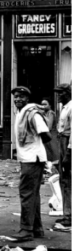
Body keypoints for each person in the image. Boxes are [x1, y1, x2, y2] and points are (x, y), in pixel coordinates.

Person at [11, 86, 53, 242]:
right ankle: (36, 228)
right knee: (32, 194)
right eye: (16, 96)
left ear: (27, 99)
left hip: (33, 159)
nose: (18, 99)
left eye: (21, 97)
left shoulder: (32, 113)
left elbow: (46, 134)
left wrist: (46, 155)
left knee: (27, 193)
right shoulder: (22, 113)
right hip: (28, 158)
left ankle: (26, 230)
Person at [56, 83, 72, 228]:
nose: (58, 95)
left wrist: (68, 153)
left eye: (60, 92)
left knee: (68, 180)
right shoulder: (64, 107)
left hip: (68, 143)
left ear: (67, 93)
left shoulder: (72, 107)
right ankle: (66, 212)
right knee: (63, 179)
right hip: (62, 141)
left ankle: (69, 215)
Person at [42, 99, 61, 169]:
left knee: (54, 154)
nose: (43, 106)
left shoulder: (51, 113)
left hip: (51, 135)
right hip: (47, 135)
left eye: (45, 104)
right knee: (48, 153)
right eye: (42, 104)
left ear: (49, 105)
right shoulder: (44, 113)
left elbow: (48, 127)